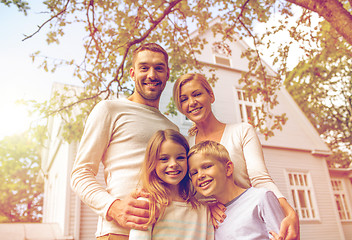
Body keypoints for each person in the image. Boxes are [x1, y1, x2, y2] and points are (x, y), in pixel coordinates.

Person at [71, 43, 179, 240]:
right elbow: (80, 174)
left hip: (168, 232)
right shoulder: (109, 109)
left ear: (167, 74)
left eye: (159, 68)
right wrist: (113, 207)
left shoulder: (173, 128)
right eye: (144, 67)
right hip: (118, 232)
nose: (152, 75)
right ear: (132, 72)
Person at [173, 73, 300, 239]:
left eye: (197, 94)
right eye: (184, 99)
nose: (192, 102)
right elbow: (184, 194)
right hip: (212, 227)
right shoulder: (186, 147)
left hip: (249, 224)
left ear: (211, 95)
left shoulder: (241, 131)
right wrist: (206, 208)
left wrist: (290, 213)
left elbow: (260, 179)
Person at [188, 140, 285, 240]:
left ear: (228, 168)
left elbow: (281, 235)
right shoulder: (209, 215)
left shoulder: (261, 198)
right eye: (194, 173)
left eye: (207, 166)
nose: (200, 175)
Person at [129, 129, 214, 240]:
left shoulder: (203, 210)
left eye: (180, 157)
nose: (173, 164)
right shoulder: (147, 205)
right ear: (152, 163)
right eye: (164, 159)